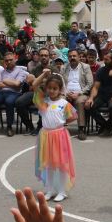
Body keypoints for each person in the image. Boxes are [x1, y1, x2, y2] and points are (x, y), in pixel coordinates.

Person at [32, 70, 77, 202]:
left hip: (59, 136)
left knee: (62, 164)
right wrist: (43, 75)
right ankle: (50, 189)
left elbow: (73, 117)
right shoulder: (43, 102)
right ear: (46, 89)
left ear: (60, 89)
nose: (52, 91)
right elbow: (34, 85)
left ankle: (62, 191)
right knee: (48, 165)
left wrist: (61, 124)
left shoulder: (64, 103)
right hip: (45, 136)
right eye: (49, 88)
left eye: (55, 88)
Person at [0, 53, 31, 138]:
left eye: (11, 60)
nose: (8, 62)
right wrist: (10, 83)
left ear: (15, 60)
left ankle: (9, 127)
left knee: (9, 102)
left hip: (14, 93)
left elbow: (17, 84)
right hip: (1, 93)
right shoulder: (1, 72)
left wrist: (5, 82)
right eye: (6, 60)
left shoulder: (21, 72)